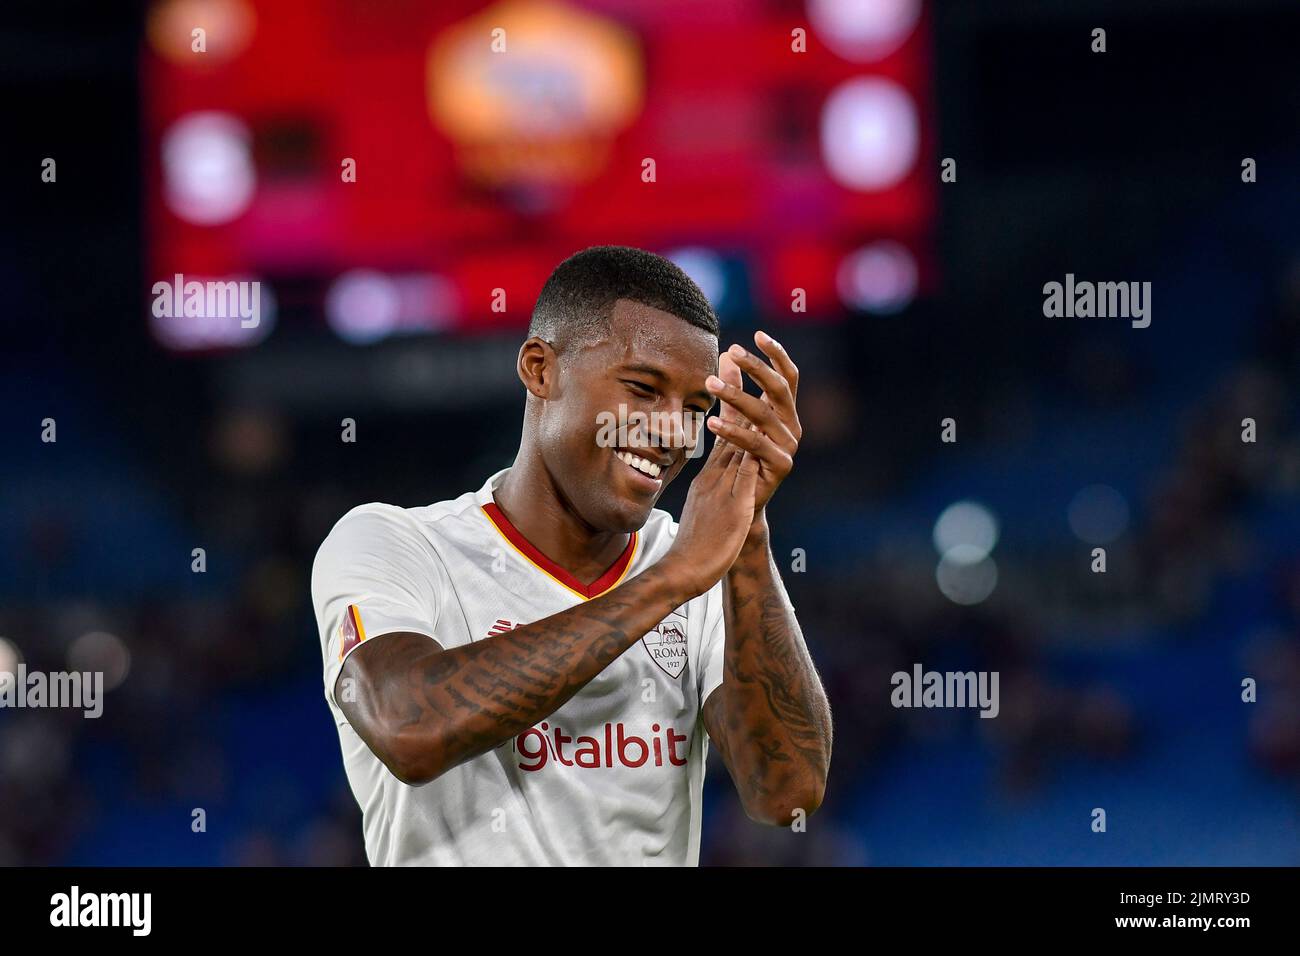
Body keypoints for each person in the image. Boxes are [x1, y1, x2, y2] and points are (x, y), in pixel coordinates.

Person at [312, 245, 831, 865]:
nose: (673, 434)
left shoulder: (699, 561)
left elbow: (786, 796)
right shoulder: (394, 544)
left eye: (696, 409)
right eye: (643, 389)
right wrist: (671, 582)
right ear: (540, 369)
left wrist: (746, 536)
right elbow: (408, 728)